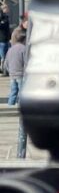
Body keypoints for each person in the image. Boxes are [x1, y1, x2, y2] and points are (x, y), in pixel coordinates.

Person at [5, 29, 27, 158]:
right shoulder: (23, 49)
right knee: (22, 93)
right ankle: (19, 109)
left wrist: (9, 71)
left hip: (13, 74)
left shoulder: (11, 49)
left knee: (13, 92)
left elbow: (7, 62)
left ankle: (10, 107)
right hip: (21, 74)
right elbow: (26, 63)